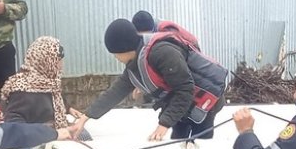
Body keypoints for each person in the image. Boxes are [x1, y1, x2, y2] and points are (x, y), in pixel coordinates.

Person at [70, 19, 231, 141]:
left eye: (115, 53)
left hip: (206, 101)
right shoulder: (134, 65)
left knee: (198, 144)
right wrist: (86, 117)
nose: (115, 58)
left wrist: (164, 124)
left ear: (125, 48)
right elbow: (115, 93)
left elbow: (185, 89)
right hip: (183, 106)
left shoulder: (161, 53)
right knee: (178, 141)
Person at [131, 10, 200, 49]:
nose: (145, 38)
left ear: (152, 29)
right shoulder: (137, 27)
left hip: (191, 45)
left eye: (147, 35)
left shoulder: (165, 30)